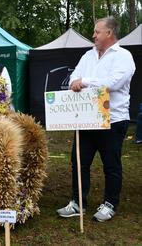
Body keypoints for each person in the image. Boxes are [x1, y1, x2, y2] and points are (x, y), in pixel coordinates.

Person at [56, 16, 136, 222]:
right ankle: (77, 202)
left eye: (97, 32)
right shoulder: (88, 55)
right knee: (79, 161)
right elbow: (75, 76)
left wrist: (85, 81)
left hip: (113, 119)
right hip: (85, 119)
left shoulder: (123, 56)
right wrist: (76, 81)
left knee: (111, 164)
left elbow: (114, 83)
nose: (93, 36)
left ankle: (110, 204)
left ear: (109, 33)